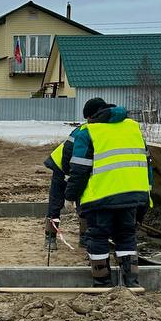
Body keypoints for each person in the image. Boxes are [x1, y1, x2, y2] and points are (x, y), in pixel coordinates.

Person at [65, 98, 151, 288]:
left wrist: (70, 196)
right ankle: (132, 283)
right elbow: (147, 166)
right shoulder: (133, 128)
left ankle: (102, 283)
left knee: (97, 238)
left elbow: (79, 170)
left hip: (100, 197)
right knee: (127, 237)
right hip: (132, 195)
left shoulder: (88, 132)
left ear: (90, 116)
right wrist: (146, 196)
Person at [43, 126, 78, 252]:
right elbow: (67, 152)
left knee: (86, 204)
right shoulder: (83, 131)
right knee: (56, 202)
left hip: (80, 171)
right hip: (62, 168)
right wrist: (67, 175)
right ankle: (50, 237)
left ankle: (85, 239)